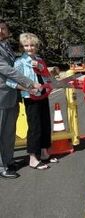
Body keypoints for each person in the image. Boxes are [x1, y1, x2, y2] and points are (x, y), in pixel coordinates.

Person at [7, 33, 57, 170]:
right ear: (22, 47)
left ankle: (44, 152)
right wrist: (28, 89)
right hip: (31, 98)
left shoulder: (39, 59)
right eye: (26, 46)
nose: (30, 48)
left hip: (43, 95)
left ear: (37, 46)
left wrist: (43, 70)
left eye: (32, 45)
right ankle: (33, 158)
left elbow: (47, 76)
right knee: (35, 127)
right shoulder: (19, 62)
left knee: (46, 124)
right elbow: (11, 82)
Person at [0, 19, 40, 179]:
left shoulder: (6, 46)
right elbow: (8, 70)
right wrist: (30, 83)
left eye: (3, 28)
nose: (1, 31)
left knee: (9, 133)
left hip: (11, 95)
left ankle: (8, 161)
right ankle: (1, 167)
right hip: (1, 96)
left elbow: (18, 64)